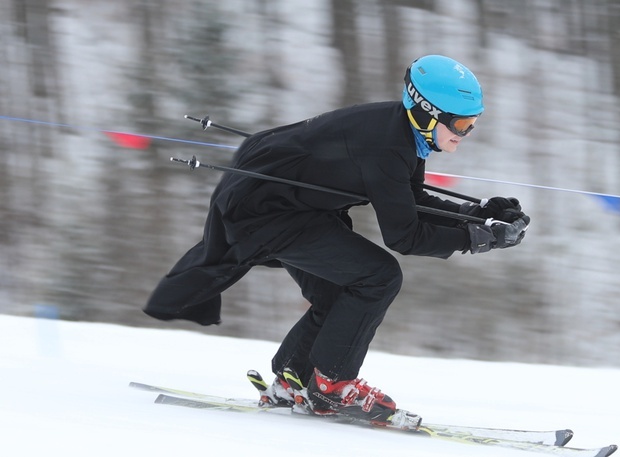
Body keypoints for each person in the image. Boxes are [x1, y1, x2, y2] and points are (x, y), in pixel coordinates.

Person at [143, 55, 530, 424]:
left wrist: (480, 214)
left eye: (473, 123)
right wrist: (480, 238)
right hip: (267, 214)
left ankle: (292, 380)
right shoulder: (389, 147)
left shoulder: (402, 131)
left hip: (289, 208)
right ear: (428, 114)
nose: (467, 134)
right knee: (379, 277)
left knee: (339, 292)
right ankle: (334, 386)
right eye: (461, 125)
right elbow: (405, 235)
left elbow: (411, 200)